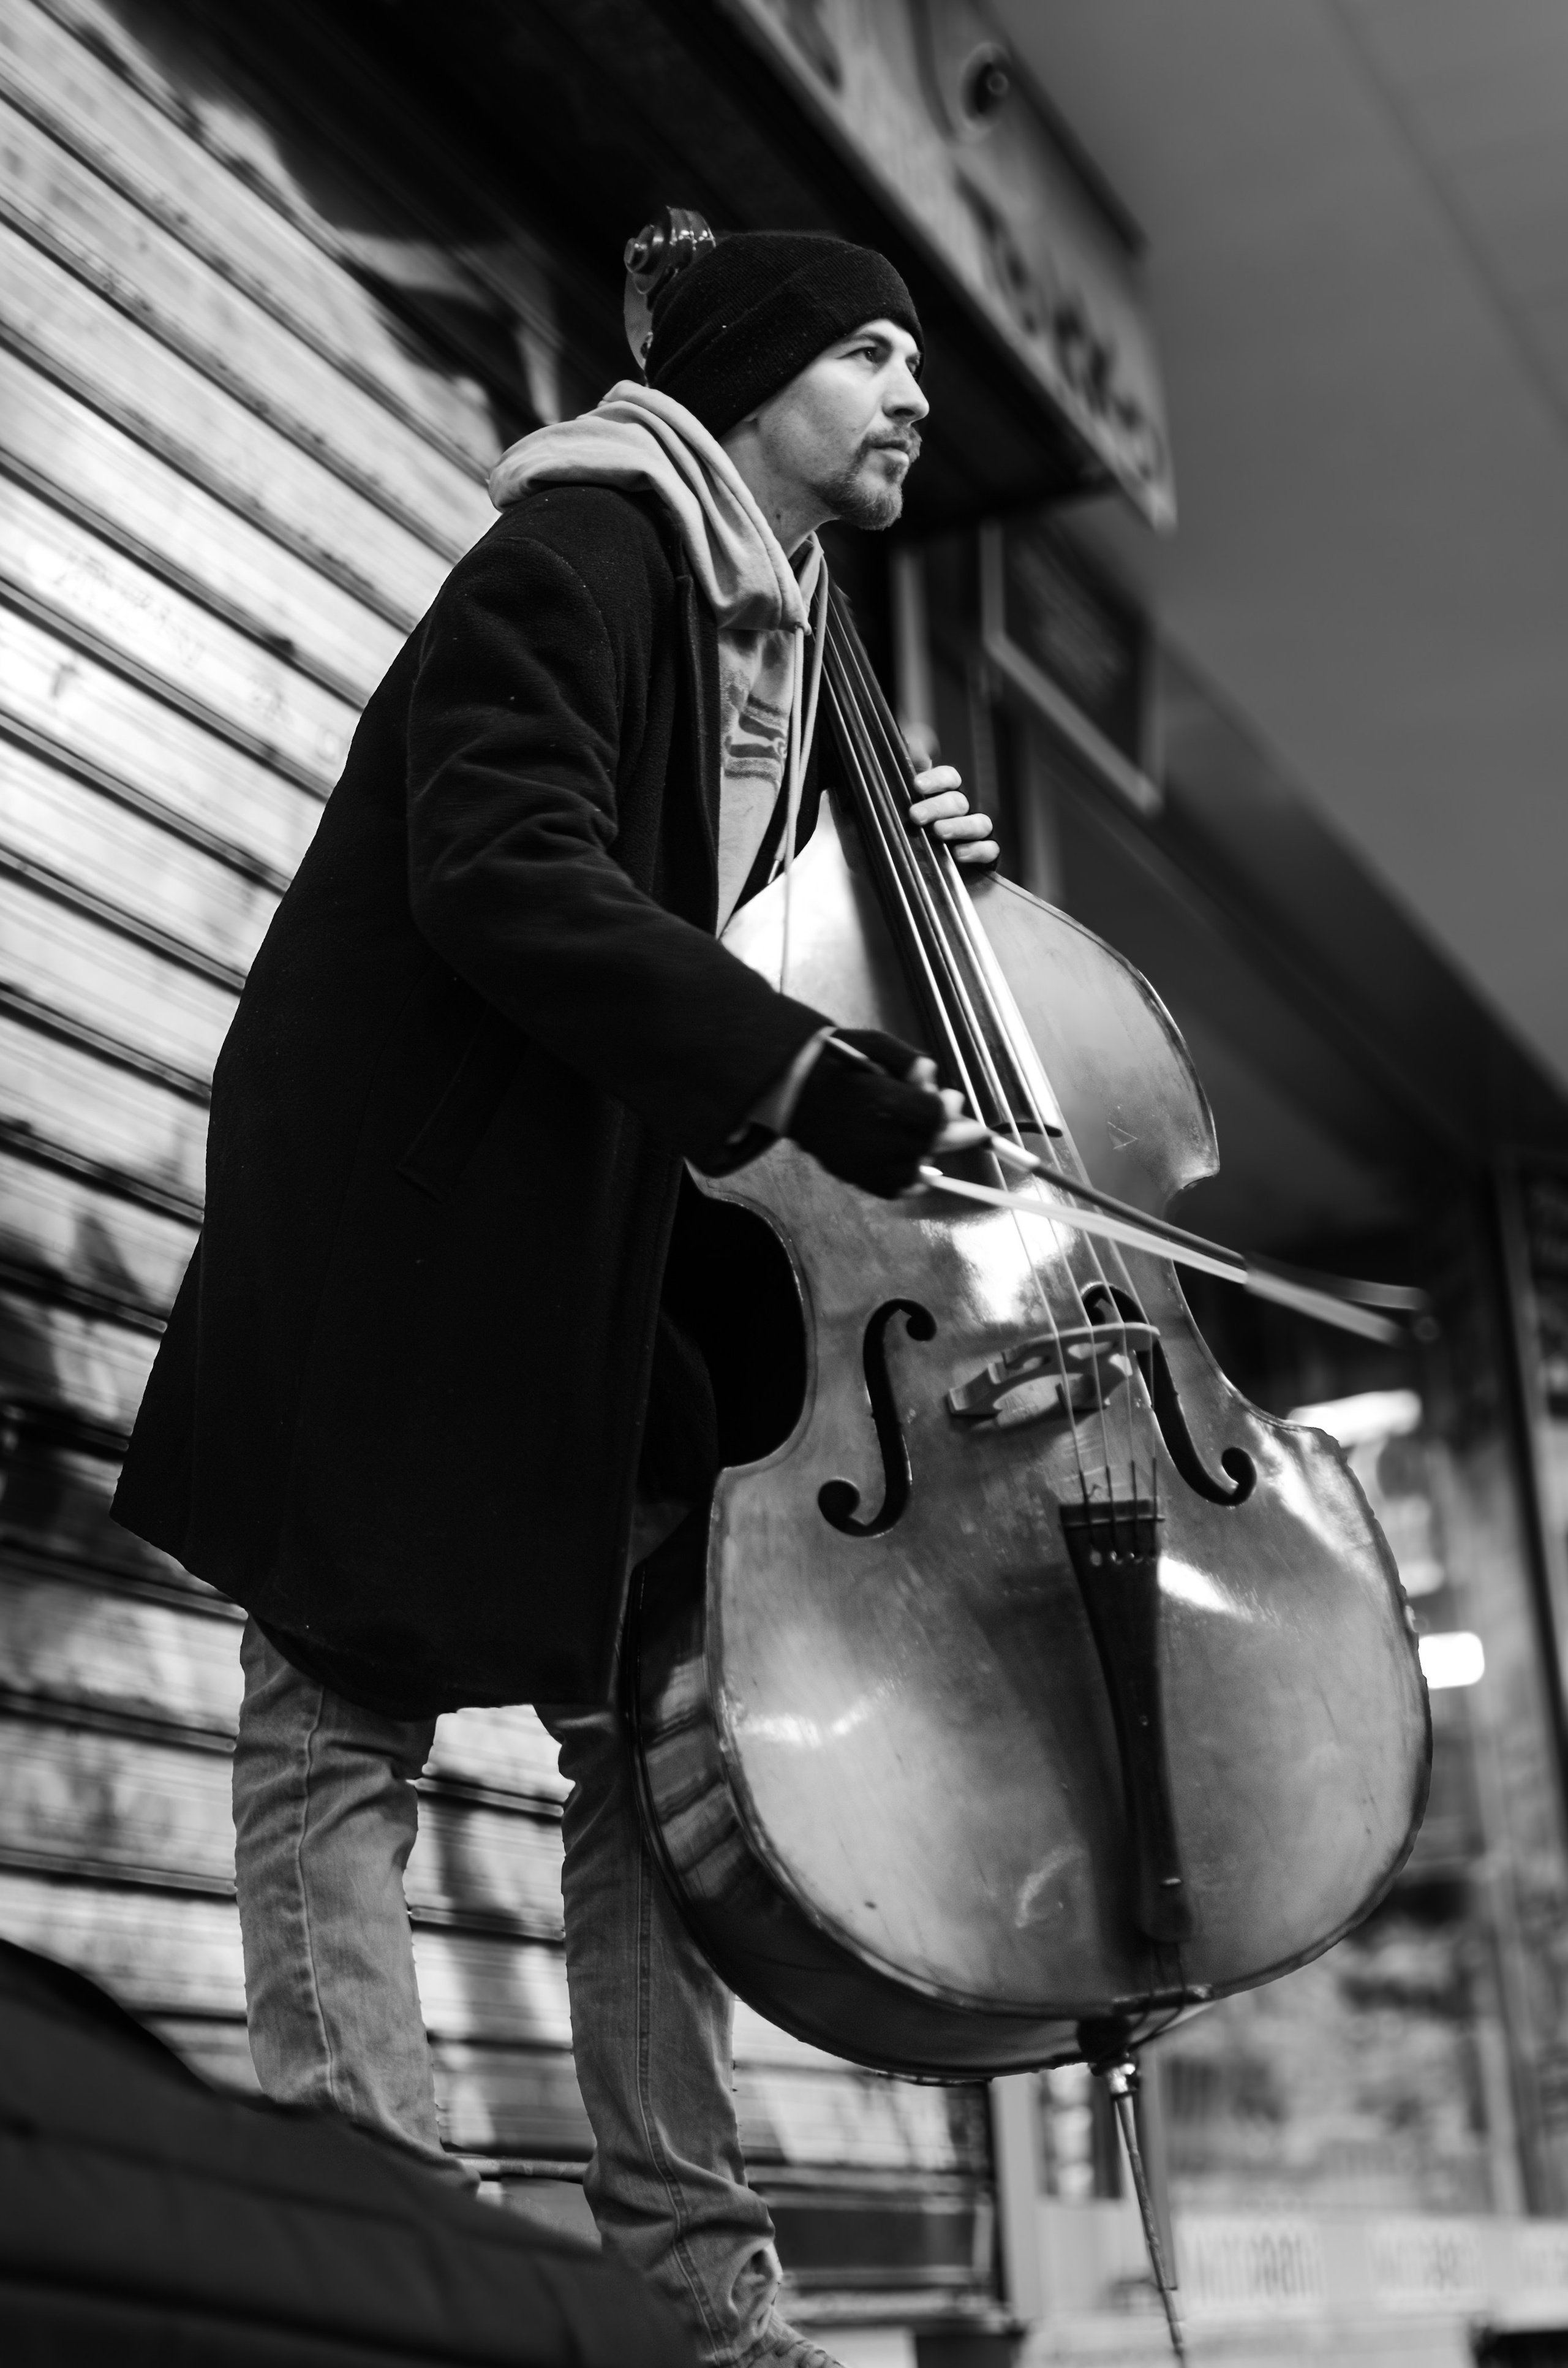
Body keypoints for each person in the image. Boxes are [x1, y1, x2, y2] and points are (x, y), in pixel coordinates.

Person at [113, 231, 997, 2368]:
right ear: (753, 371)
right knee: (340, 1707)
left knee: (652, 1734)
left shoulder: (764, 625)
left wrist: (867, 880)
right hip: (420, 1232)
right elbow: (509, 870)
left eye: (918, 362)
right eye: (868, 350)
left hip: (583, 1248)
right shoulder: (587, 549)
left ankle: (694, 2287)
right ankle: (385, 2227)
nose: (913, 393)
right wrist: (807, 1079)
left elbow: (657, 900)